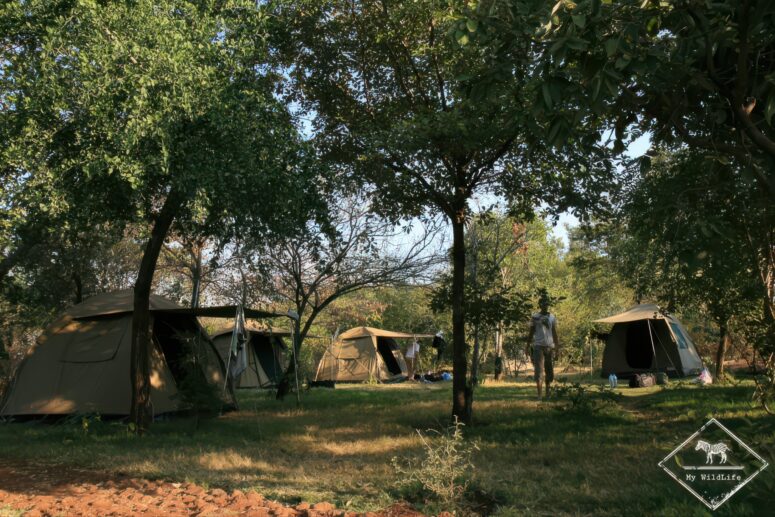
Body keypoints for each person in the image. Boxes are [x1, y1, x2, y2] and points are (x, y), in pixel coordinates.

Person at [526, 291, 560, 400]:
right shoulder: (535, 317)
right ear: (540, 305)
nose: (544, 306)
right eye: (542, 304)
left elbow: (554, 333)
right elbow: (531, 332)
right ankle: (539, 395)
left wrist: (557, 348)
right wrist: (527, 346)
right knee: (539, 371)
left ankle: (548, 394)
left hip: (549, 347)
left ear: (548, 305)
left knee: (549, 370)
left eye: (546, 304)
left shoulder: (552, 317)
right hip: (538, 347)